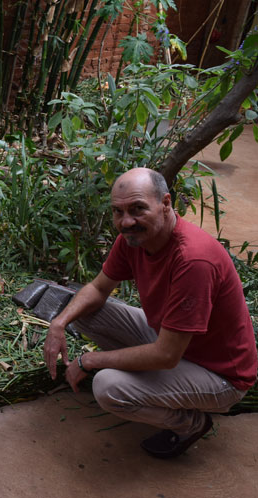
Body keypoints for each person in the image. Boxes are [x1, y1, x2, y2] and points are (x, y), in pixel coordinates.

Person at [43, 167, 257, 459]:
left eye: (137, 209)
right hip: (173, 342)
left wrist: (88, 360)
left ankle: (191, 423)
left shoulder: (193, 260)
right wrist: (59, 323)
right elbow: (98, 288)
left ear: (166, 204)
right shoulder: (135, 239)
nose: (126, 221)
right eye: (118, 212)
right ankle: (161, 389)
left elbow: (166, 356)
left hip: (220, 375)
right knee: (83, 310)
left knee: (108, 387)